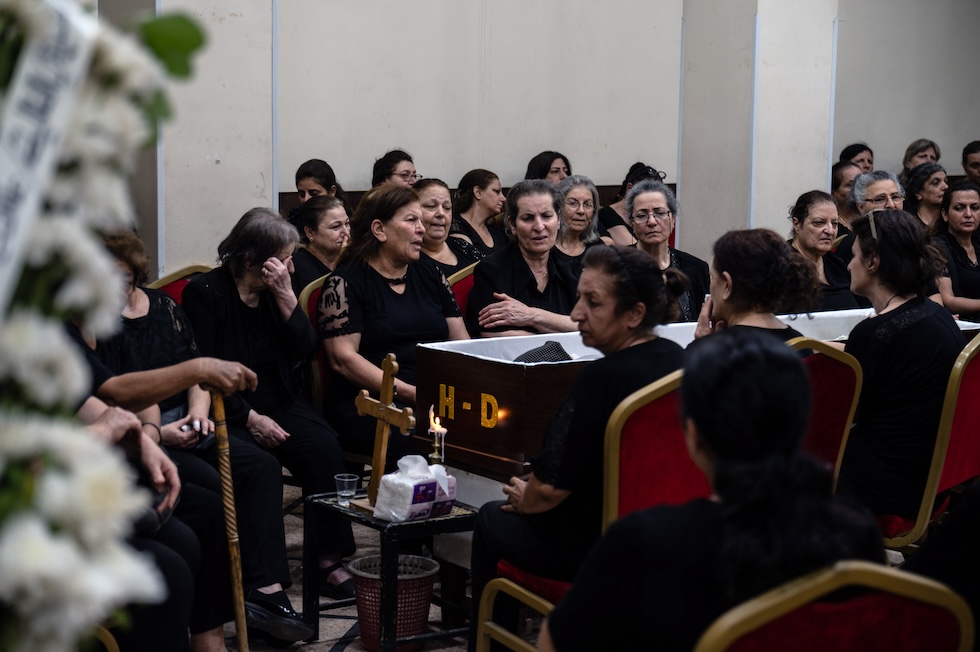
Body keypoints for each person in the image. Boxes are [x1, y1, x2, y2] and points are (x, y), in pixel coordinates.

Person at [539, 329, 884, 652]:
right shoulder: (857, 533)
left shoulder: (646, 540)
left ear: (692, 435)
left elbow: (554, 643)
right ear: (802, 422)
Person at [470, 245, 689, 649]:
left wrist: (525, 498)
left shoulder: (600, 378)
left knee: (489, 518)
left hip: (594, 549)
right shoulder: (679, 360)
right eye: (578, 299)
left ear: (634, 314)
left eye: (593, 302)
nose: (575, 314)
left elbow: (548, 492)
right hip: (663, 537)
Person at [103, 229, 314, 643]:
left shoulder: (163, 305)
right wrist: (160, 433)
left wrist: (199, 416)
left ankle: (265, 590)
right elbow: (119, 393)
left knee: (260, 466)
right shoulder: (99, 323)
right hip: (145, 433)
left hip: (191, 418)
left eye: (125, 276)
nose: (118, 285)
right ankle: (220, 607)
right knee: (213, 490)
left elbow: (197, 367)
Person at [181, 207, 357, 599]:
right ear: (250, 260)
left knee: (323, 446)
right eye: (283, 259)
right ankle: (264, 580)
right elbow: (203, 371)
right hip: (227, 404)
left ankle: (326, 559)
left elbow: (306, 349)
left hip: (277, 397)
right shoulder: (205, 293)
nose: (290, 267)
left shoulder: (276, 292)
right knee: (261, 467)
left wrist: (286, 296)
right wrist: (252, 419)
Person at [318, 183, 469, 466]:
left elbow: (460, 341)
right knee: (428, 437)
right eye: (411, 220)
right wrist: (411, 393)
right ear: (379, 229)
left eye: (420, 221)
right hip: (372, 401)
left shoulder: (430, 272)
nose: (422, 229)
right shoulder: (346, 282)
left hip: (431, 395)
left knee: (493, 427)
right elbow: (343, 360)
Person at [837, 210, 963, 520]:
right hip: (934, 479)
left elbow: (846, 413)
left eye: (854, 255)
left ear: (873, 261)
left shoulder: (875, 333)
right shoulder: (936, 315)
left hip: (888, 487)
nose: (849, 265)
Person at [465, 180, 579, 337]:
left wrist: (532, 316)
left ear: (558, 220)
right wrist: (560, 328)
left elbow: (593, 326)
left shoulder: (572, 269)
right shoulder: (491, 270)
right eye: (528, 218)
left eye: (546, 216)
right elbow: (494, 336)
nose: (539, 227)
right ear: (512, 224)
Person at [695, 229, 819, 342]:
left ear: (727, 285)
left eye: (713, 278)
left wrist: (703, 346)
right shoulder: (800, 344)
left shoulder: (710, 352)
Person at [626, 178, 709, 322]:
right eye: (641, 216)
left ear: (673, 220)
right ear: (632, 223)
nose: (652, 222)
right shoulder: (616, 267)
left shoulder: (696, 269)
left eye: (660, 213)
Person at [788, 190, 860, 311]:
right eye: (819, 223)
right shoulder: (781, 267)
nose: (830, 231)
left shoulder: (839, 265)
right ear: (797, 224)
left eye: (835, 224)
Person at [417, 178, 484, 276]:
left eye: (447, 208)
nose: (441, 213)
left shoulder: (462, 246)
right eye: (431, 206)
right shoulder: (409, 263)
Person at [935, 181, 980, 322]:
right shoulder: (936, 247)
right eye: (959, 208)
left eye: (975, 208)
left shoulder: (978, 243)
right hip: (962, 325)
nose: (968, 214)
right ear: (945, 214)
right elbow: (948, 300)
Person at [290, 195, 351, 296]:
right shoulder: (298, 265)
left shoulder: (352, 257)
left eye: (347, 224)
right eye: (336, 226)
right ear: (310, 232)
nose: (346, 232)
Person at [596, 162, 665, 246]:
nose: (651, 198)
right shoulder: (607, 214)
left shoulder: (654, 216)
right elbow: (633, 249)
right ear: (629, 188)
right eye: (646, 192)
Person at [450, 168, 508, 256]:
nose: (503, 198)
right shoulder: (455, 226)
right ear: (478, 192)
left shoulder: (497, 232)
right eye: (497, 191)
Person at [553, 175, 604, 270]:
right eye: (573, 203)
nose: (581, 211)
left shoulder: (598, 248)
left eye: (587, 204)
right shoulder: (546, 248)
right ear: (558, 207)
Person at [904, 162, 948, 230]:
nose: (945, 187)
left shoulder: (952, 218)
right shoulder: (907, 224)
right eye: (936, 183)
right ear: (918, 193)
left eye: (946, 181)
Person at [831, 161, 862, 236]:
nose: (858, 189)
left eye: (861, 184)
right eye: (851, 185)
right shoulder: (830, 223)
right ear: (834, 191)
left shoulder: (869, 218)